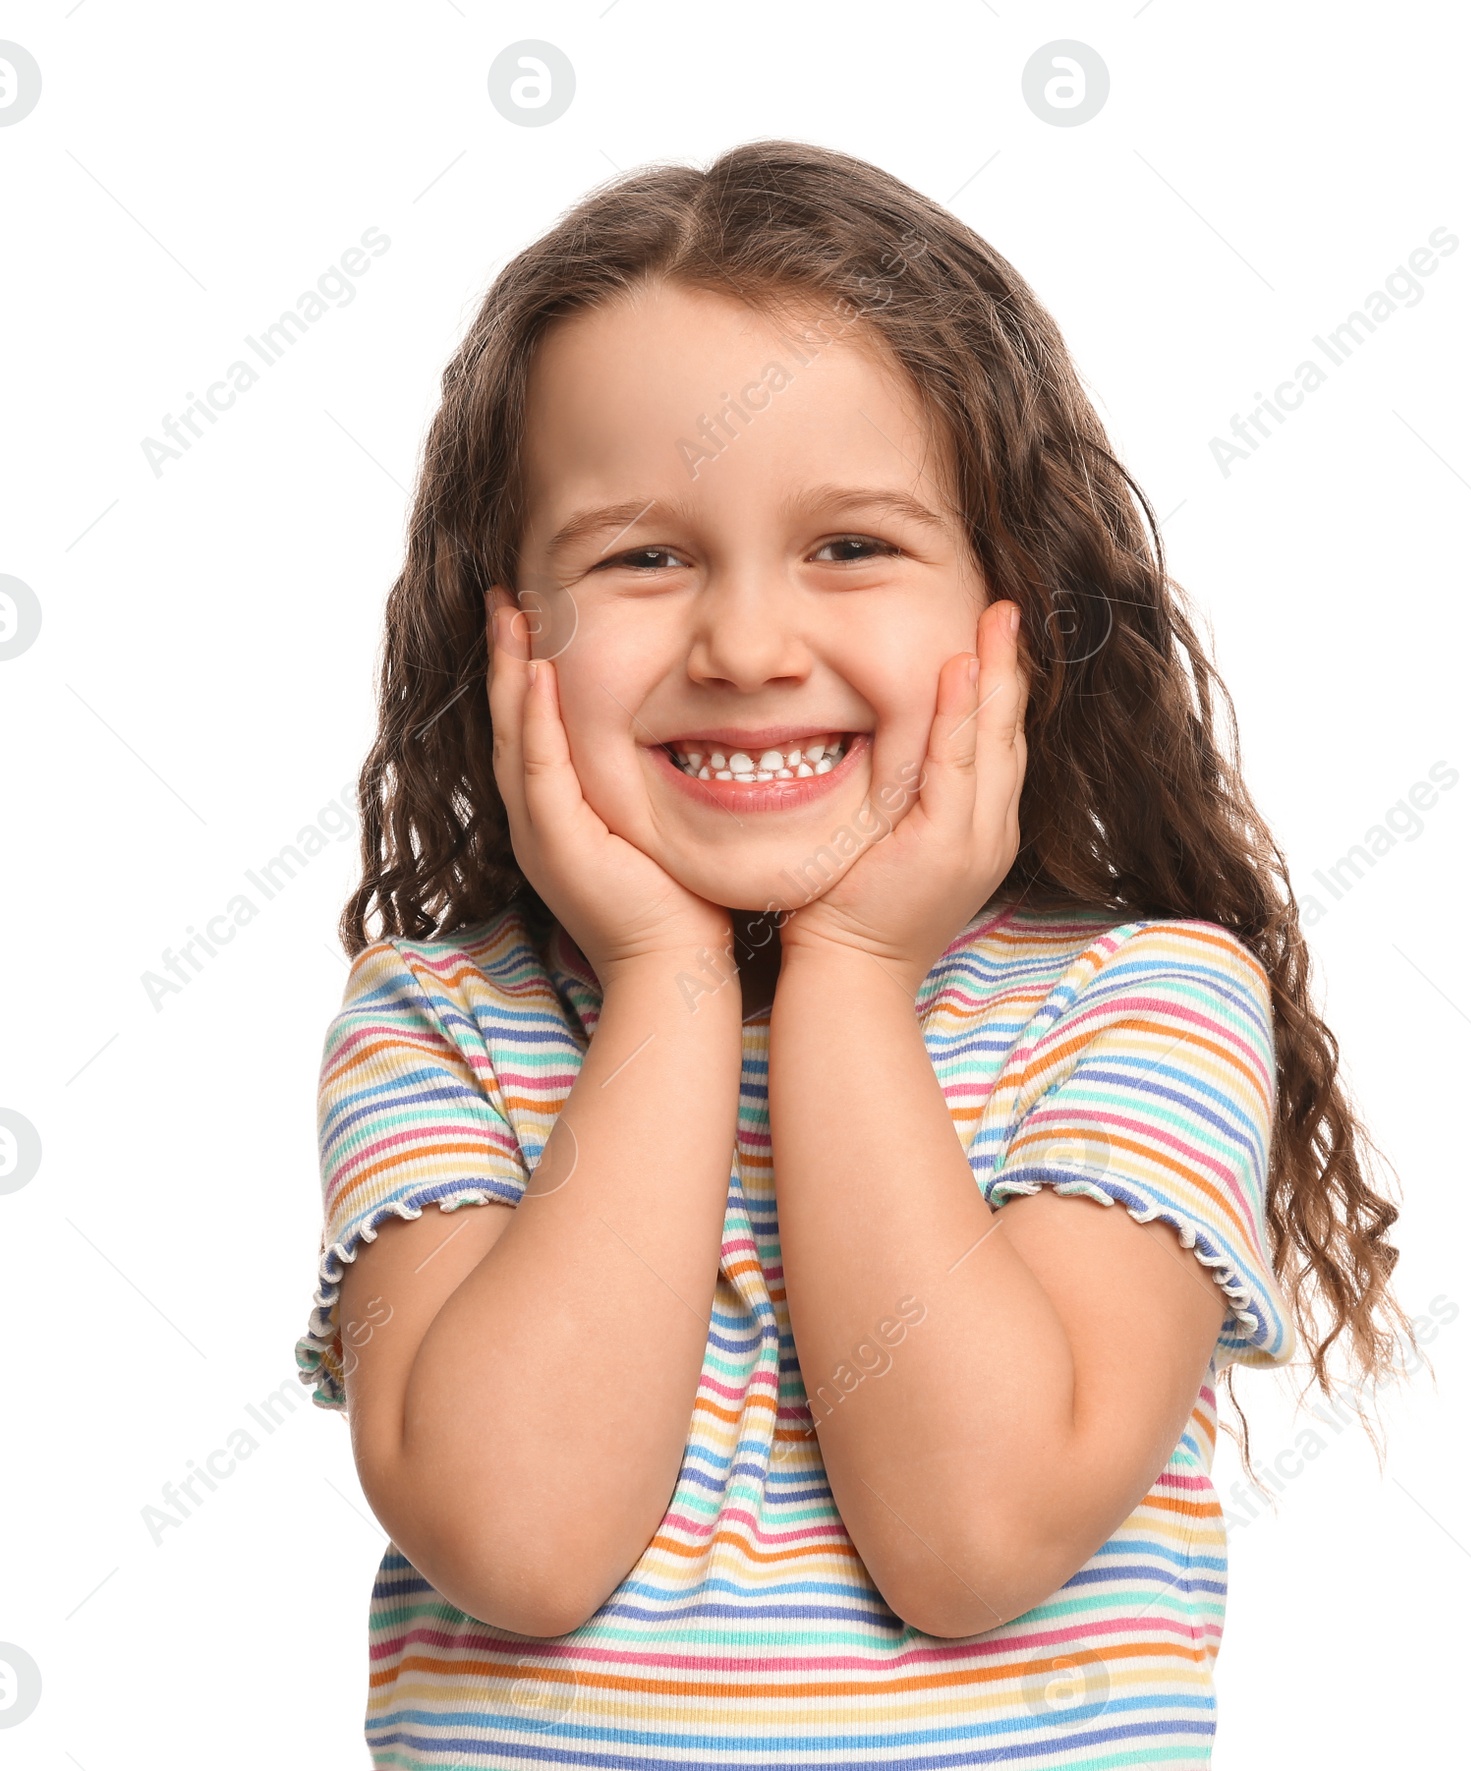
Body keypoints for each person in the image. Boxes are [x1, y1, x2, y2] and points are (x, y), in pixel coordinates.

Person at [293, 140, 1414, 1768]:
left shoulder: (1147, 1005)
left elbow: (971, 1536)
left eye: (853, 547)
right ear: (506, 630)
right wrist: (671, 985)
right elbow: (518, 1538)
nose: (747, 646)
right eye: (642, 555)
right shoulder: (438, 1025)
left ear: (1014, 605)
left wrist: (859, 970)